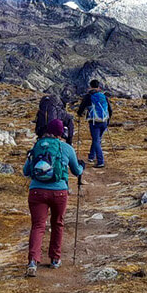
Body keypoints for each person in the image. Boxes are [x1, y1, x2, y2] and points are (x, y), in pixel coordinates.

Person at [21, 118, 83, 277]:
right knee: (58, 223)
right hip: (59, 192)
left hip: (36, 191)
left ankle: (33, 261)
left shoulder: (37, 146)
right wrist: (82, 166)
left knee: (38, 226)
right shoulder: (66, 148)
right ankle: (55, 259)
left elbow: (26, 171)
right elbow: (77, 171)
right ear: (61, 133)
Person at [75, 79, 110, 168]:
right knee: (97, 139)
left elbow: (82, 107)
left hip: (94, 122)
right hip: (104, 121)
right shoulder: (103, 96)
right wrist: (107, 121)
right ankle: (91, 156)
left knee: (96, 140)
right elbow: (110, 110)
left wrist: (79, 114)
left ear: (90, 86)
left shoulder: (88, 96)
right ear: (99, 87)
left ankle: (100, 161)